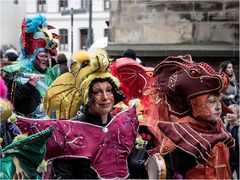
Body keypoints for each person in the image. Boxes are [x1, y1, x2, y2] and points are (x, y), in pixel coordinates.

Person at [16, 49, 148, 179]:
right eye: (97, 92)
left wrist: (146, 166)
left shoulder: (121, 126)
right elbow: (63, 175)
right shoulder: (68, 131)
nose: (105, 97)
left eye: (109, 90)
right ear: (87, 97)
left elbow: (125, 167)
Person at [149, 55, 235, 179]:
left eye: (219, 101)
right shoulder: (180, 133)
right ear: (197, 104)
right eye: (211, 102)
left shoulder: (220, 127)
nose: (218, 107)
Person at [1, 15, 60, 118]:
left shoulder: (52, 74)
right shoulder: (18, 72)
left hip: (51, 123)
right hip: (27, 125)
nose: (45, 59)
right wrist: (29, 86)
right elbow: (9, 102)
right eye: (41, 56)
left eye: (47, 56)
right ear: (33, 57)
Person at [224, 104, 239, 179]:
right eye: (228, 112)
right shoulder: (225, 127)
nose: (229, 115)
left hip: (238, 159)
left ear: (238, 115)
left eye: (232, 113)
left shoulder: (238, 128)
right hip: (229, 159)